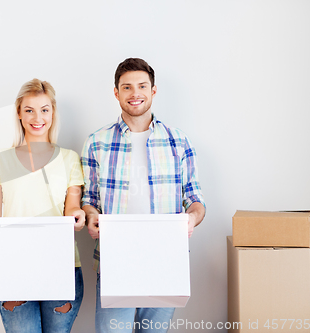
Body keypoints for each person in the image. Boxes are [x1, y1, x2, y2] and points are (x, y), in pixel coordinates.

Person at [81, 58, 206, 333]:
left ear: (153, 90)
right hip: (115, 260)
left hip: (165, 259)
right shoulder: (96, 142)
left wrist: (192, 218)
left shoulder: (178, 141)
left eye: (141, 86)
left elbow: (195, 199)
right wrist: (91, 217)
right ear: (116, 93)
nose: (134, 93)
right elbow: (89, 200)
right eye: (127, 87)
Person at [0, 79, 85, 333]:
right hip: (14, 266)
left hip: (61, 265)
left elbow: (73, 207)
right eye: (29, 110)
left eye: (45, 109)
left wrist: (78, 216)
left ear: (53, 113)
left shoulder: (69, 159)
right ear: (19, 113)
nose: (38, 117)